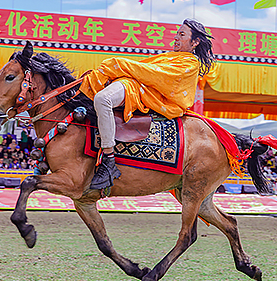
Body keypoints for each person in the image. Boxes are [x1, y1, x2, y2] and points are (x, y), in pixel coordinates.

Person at [80, 19, 215, 190]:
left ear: (195, 42)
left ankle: (108, 159)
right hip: (134, 84)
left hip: (139, 90)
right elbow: (147, 71)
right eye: (176, 34)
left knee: (102, 99)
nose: (176, 38)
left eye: (182, 35)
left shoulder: (189, 63)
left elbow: (155, 75)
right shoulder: (170, 57)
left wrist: (119, 64)